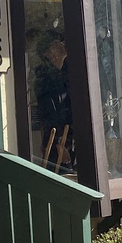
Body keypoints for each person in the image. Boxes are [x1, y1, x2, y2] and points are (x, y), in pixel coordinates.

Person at [34, 34, 73, 172]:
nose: (61, 44)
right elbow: (48, 113)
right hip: (57, 141)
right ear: (49, 53)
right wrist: (58, 144)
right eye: (56, 43)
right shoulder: (46, 79)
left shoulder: (66, 73)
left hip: (70, 138)